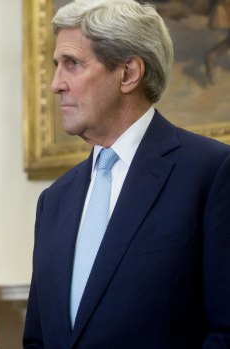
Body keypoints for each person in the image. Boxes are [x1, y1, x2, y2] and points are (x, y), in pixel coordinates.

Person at [23, 1, 230, 348]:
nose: (56, 84)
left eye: (72, 64)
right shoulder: (54, 201)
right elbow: (37, 339)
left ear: (129, 73)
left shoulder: (210, 173)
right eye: (56, 65)